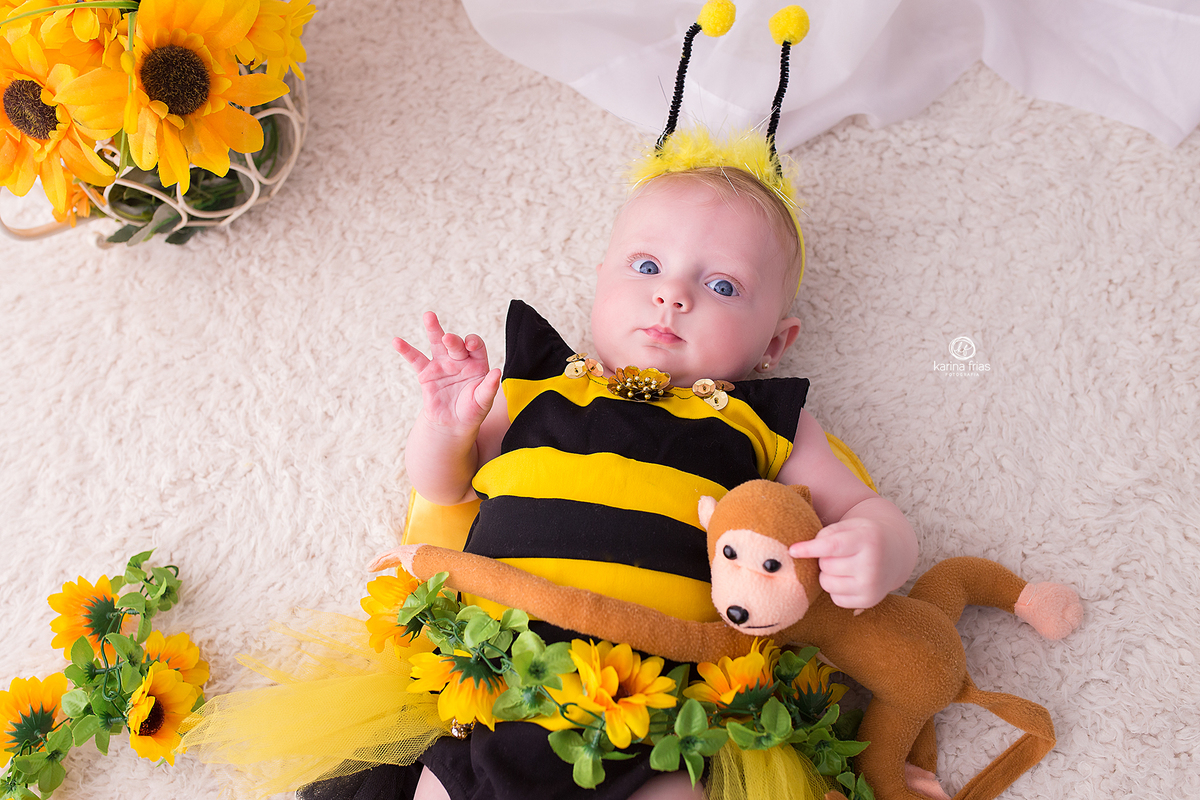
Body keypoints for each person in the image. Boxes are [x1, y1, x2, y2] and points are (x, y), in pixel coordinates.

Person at [388, 163, 919, 800]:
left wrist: (878, 545)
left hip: (663, 714)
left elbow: (862, 506)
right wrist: (445, 428)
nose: (672, 295)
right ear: (600, 281)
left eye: (722, 285)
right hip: (497, 681)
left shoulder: (763, 423)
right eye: (646, 267)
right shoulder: (536, 387)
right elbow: (445, 489)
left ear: (775, 345)